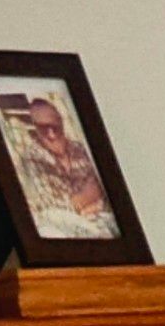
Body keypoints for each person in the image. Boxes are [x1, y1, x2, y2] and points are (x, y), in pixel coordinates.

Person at [13, 97, 116, 237]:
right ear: (35, 128)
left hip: (99, 220)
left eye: (55, 127)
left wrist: (92, 204)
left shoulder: (80, 150)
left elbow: (106, 192)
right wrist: (87, 197)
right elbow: (49, 208)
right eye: (43, 129)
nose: (51, 134)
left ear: (61, 122)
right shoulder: (31, 158)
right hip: (64, 228)